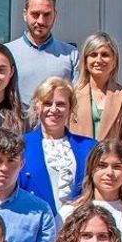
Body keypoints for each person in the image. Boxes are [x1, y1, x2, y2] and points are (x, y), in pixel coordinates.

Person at [19, 76, 96, 212]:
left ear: (70, 108)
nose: (54, 109)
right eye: (47, 103)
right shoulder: (21, 145)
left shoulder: (89, 147)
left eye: (60, 104)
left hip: (78, 226)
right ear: (37, 107)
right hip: (35, 223)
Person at [6, 0, 79, 109]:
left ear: (55, 15)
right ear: (25, 14)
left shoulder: (71, 54)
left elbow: (78, 99)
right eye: (35, 14)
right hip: (17, 126)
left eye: (46, 15)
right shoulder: (7, 53)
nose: (40, 21)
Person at [68, 33, 122, 153]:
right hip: (77, 165)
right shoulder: (71, 94)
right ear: (85, 60)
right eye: (93, 55)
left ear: (114, 61)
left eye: (105, 55)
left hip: (109, 166)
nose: (98, 60)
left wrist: (118, 168)